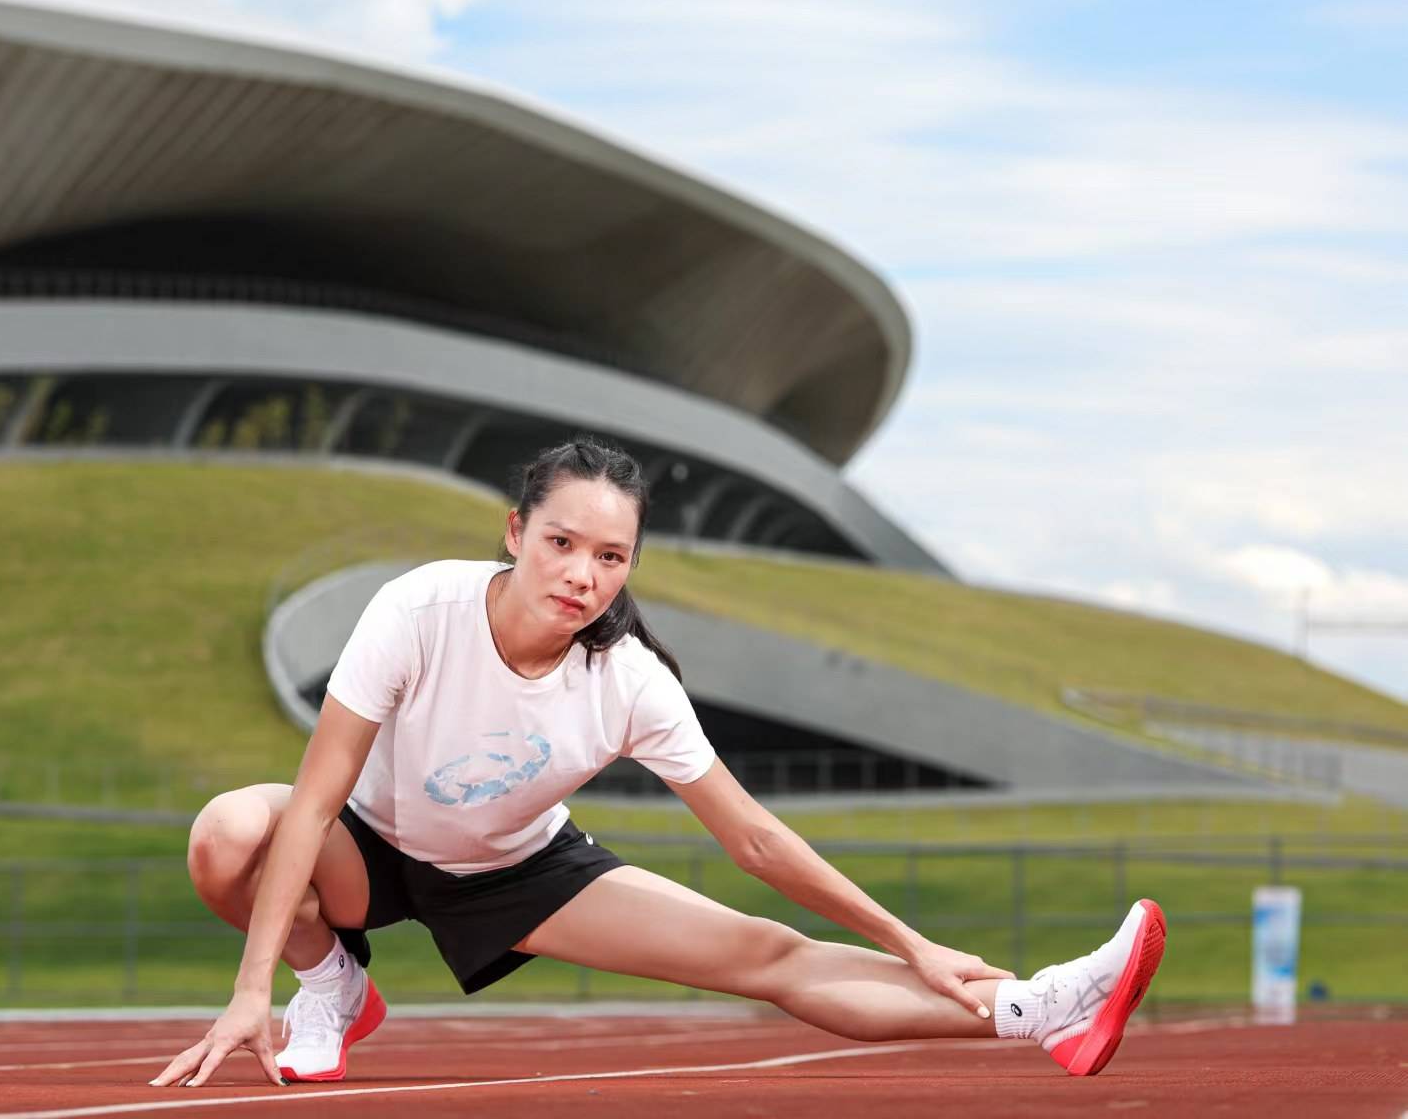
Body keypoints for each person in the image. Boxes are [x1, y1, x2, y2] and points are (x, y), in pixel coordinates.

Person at [151, 437, 1166, 1089]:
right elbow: (318, 795)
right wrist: (255, 987)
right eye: (561, 542)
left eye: (611, 555)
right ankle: (329, 981)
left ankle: (1038, 1008)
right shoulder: (420, 609)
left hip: (519, 869)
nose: (582, 574)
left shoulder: (628, 679)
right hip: (365, 848)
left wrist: (917, 942)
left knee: (767, 954)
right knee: (228, 830)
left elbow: (756, 837)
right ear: (515, 530)